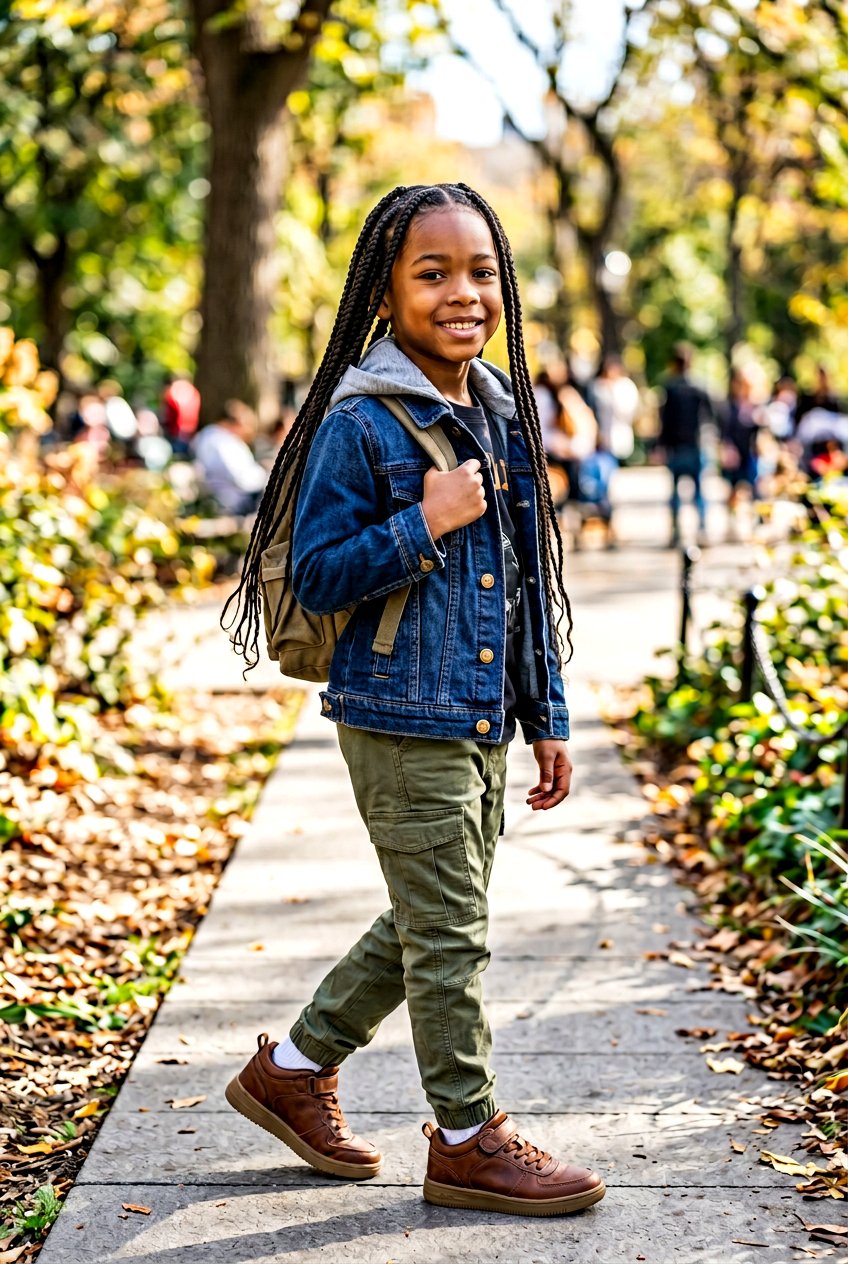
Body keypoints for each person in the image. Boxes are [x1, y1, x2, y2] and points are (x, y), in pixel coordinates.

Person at [221, 184, 606, 1217]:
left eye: (479, 270)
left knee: (435, 919)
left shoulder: (495, 409)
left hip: (480, 713)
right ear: (384, 296)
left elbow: (525, 577)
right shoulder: (362, 422)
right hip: (396, 713)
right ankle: (467, 1136)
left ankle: (293, 1070)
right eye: (431, 273)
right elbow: (319, 575)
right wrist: (422, 523)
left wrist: (546, 712)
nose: (462, 292)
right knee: (448, 935)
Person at [657, 343, 713, 546]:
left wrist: (661, 445)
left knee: (676, 493)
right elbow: (710, 417)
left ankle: (676, 532)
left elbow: (664, 420)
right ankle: (701, 531)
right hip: (696, 445)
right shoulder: (700, 386)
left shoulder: (670, 388)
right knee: (698, 491)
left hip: (677, 447)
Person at [192, 399, 267, 515]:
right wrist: (264, 477)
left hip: (225, 498)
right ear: (235, 423)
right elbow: (239, 478)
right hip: (232, 502)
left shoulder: (210, 435)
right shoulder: (221, 441)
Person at [718, 369, 763, 529]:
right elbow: (724, 431)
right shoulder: (730, 406)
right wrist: (726, 449)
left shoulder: (757, 406)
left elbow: (763, 431)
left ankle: (757, 521)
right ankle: (731, 522)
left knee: (755, 487)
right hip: (735, 453)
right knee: (733, 489)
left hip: (751, 453)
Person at [592, 355, 639, 463]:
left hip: (620, 433)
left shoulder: (626, 386)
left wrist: (612, 391)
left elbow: (627, 411)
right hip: (604, 435)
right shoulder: (599, 386)